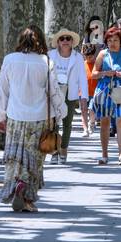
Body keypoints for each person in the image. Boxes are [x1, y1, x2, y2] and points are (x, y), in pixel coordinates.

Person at [0, 25, 68, 212]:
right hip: (40, 118)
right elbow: (54, 91)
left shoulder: (10, 60)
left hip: (15, 116)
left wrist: (0, 115)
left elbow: (3, 91)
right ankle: (27, 196)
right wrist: (61, 111)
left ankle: (16, 184)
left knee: (15, 157)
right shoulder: (45, 61)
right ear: (40, 41)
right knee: (34, 157)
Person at [93, 27, 121, 164]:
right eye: (110, 40)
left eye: (116, 40)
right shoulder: (102, 54)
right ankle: (104, 154)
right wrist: (104, 73)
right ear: (106, 41)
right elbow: (93, 74)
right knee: (105, 122)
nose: (112, 43)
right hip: (105, 89)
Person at [48, 28, 89, 162]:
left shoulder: (78, 58)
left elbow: (83, 78)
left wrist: (84, 97)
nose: (65, 41)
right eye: (62, 39)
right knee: (53, 124)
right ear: (58, 42)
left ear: (72, 42)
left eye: (68, 38)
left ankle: (64, 149)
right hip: (53, 94)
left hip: (70, 94)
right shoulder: (50, 55)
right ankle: (54, 150)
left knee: (67, 123)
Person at [81, 42, 101, 137]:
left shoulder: (98, 64)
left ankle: (92, 123)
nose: (89, 58)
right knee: (84, 110)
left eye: (91, 56)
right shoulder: (81, 64)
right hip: (83, 92)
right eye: (86, 56)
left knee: (91, 109)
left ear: (94, 54)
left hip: (95, 92)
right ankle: (85, 129)